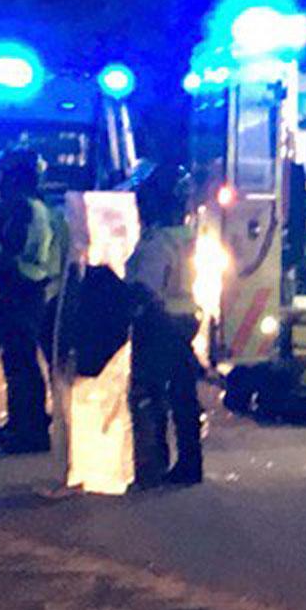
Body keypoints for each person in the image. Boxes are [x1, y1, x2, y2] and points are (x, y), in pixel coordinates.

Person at [0, 148, 60, 453]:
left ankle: (29, 430)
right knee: (17, 361)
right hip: (22, 290)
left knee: (21, 362)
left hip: (24, 291)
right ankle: (21, 423)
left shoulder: (24, 208)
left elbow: (13, 248)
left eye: (5, 175)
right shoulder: (24, 206)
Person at [127, 165, 204, 487]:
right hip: (185, 320)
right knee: (184, 396)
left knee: (150, 393)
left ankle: (153, 464)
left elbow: (145, 287)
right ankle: (190, 464)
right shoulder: (186, 238)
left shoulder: (157, 243)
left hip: (160, 323)